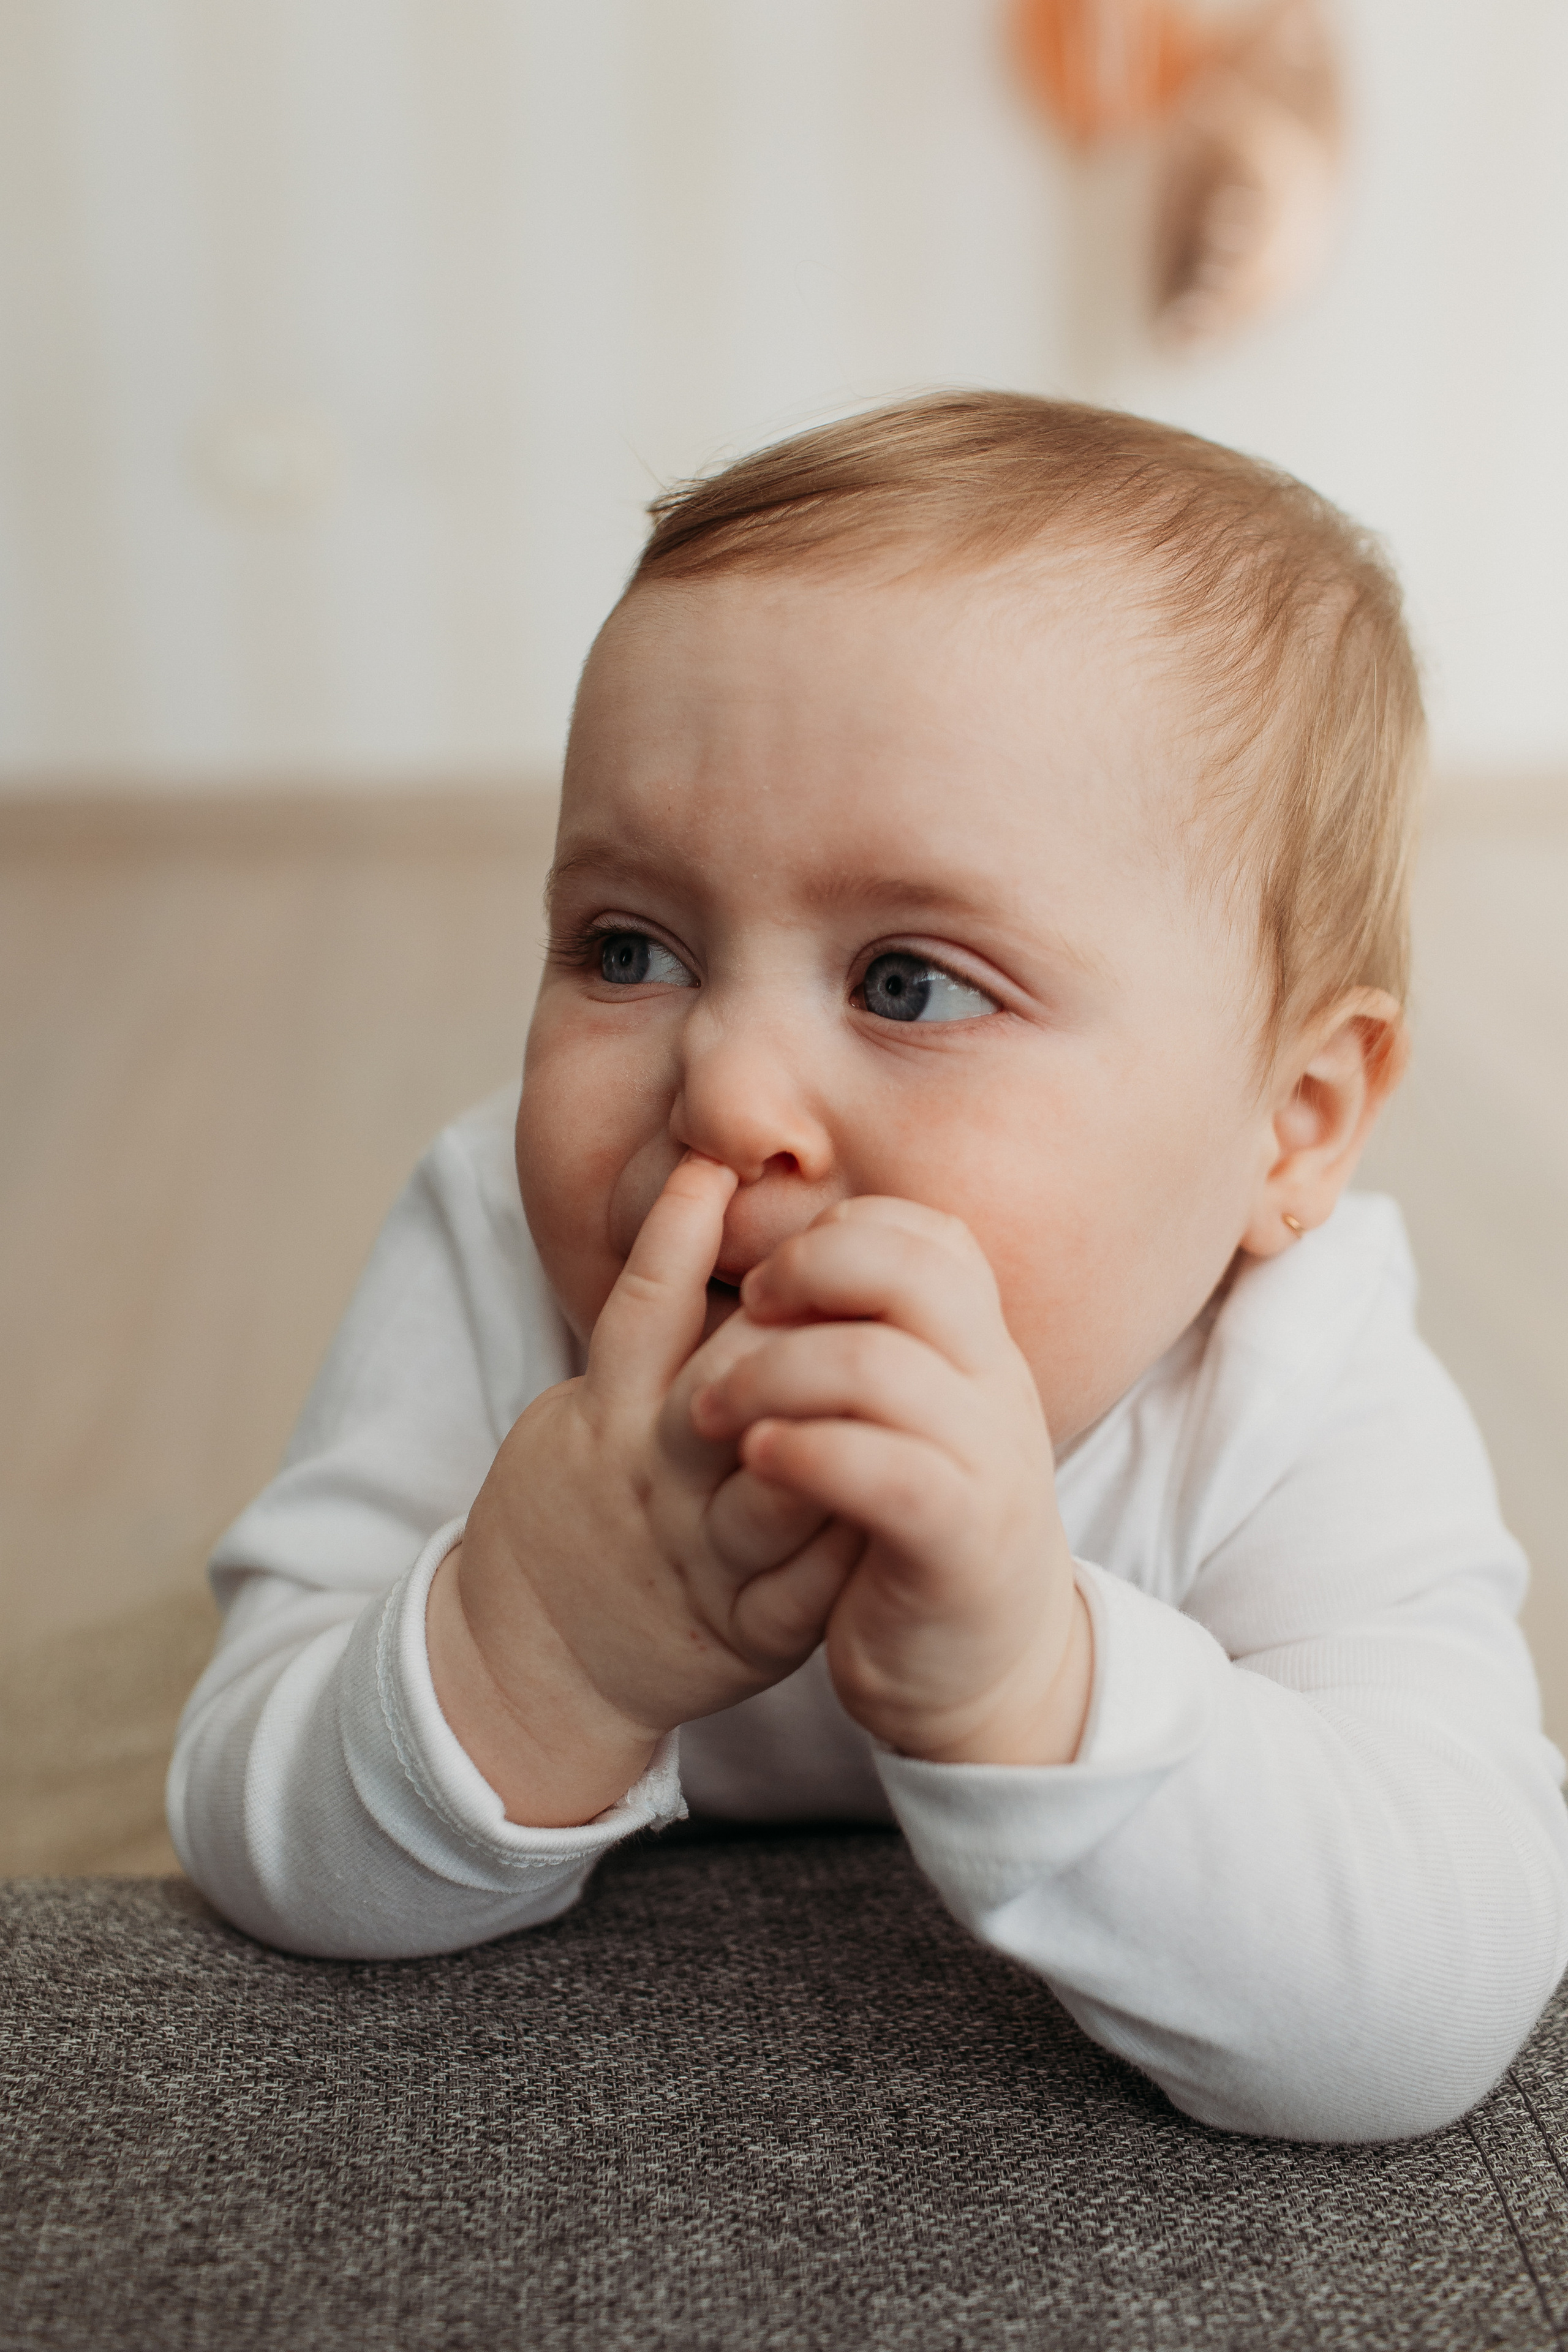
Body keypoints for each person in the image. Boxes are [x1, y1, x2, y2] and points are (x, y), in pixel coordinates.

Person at [167, 392, 1568, 2142]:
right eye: (630, 948)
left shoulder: (1294, 1378)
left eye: (911, 983)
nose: (723, 1092)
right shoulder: (503, 1245)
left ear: (1288, 1126)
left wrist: (1038, 1689)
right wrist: (534, 1657)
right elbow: (243, 1816)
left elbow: (1431, 1999)